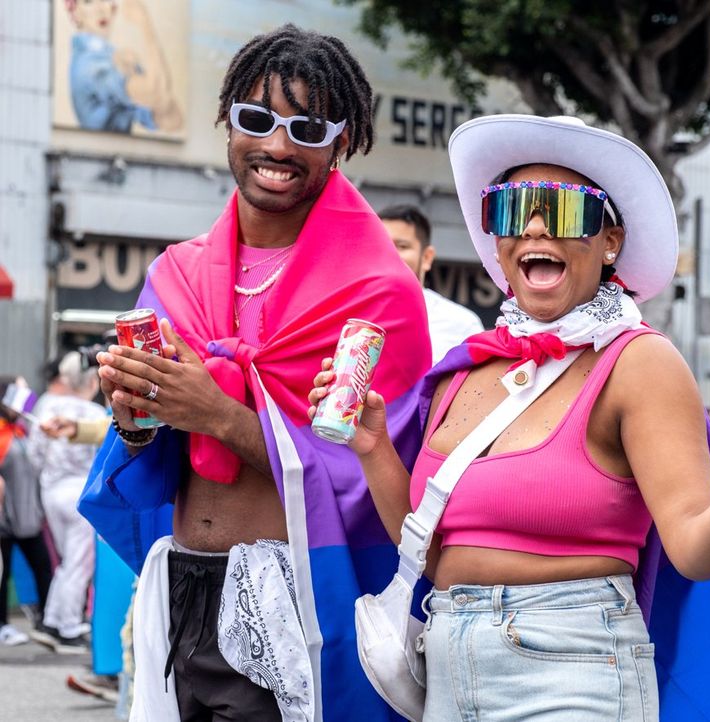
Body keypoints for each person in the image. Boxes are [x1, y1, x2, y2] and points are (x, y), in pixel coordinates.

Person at [310, 114, 710, 720]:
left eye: (564, 211)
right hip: (446, 663)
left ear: (610, 242)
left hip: (574, 666)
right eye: (511, 209)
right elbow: (423, 550)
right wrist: (373, 447)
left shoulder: (637, 361)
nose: (534, 226)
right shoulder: (465, 369)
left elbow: (694, 549)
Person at [79, 24, 430, 722]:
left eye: (306, 127)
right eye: (257, 119)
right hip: (179, 581)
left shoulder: (378, 294)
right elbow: (150, 445)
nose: (276, 146)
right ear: (226, 123)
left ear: (343, 142)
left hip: (295, 595)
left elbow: (369, 483)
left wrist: (218, 415)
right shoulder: (174, 273)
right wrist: (135, 415)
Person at [26, 352, 106, 654]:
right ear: (90, 380)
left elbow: (35, 454)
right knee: (79, 563)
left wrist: (45, 479)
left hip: (51, 490)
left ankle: (52, 620)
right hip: (80, 492)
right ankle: (69, 627)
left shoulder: (46, 404)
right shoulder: (95, 414)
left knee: (64, 561)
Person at [378, 204, 485, 365]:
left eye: (402, 246)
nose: (390, 253)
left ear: (427, 257)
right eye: (382, 245)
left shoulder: (462, 325)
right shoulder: (350, 314)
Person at [64, 0, 182, 133]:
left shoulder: (112, 58)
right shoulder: (91, 66)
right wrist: (144, 23)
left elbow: (172, 120)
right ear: (75, 12)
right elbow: (157, 92)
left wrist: (139, 78)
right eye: (88, 1)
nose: (100, 9)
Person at [0, 377, 51, 647]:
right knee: (2, 573)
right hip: (4, 521)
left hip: (28, 518)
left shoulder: (21, 430)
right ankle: (3, 625)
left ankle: (45, 620)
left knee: (44, 568)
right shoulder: (2, 433)